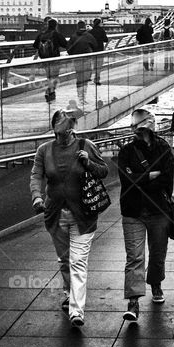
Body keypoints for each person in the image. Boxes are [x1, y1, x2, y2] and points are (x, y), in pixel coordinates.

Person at [30, 109, 108, 327]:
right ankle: (69, 292)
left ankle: (77, 310)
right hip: (55, 215)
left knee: (78, 261)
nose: (63, 135)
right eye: (59, 130)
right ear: (54, 129)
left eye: (66, 130)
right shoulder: (44, 150)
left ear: (72, 128)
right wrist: (37, 197)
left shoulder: (86, 146)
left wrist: (88, 163)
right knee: (65, 260)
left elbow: (104, 171)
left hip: (84, 215)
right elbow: (36, 175)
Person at [118, 109, 174, 322]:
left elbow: (167, 180)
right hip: (133, 212)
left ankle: (156, 283)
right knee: (135, 257)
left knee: (158, 253)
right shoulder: (127, 151)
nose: (137, 132)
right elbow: (126, 181)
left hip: (158, 209)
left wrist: (138, 179)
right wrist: (150, 176)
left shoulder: (163, 148)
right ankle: (133, 301)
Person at [33, 19, 67, 103]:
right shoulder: (56, 34)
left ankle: (50, 91)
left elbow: (34, 45)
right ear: (56, 25)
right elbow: (65, 44)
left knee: (49, 76)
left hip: (45, 59)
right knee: (54, 76)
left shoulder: (41, 34)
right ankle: (50, 92)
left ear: (48, 25)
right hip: (54, 59)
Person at [67, 21, 97, 107]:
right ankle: (83, 97)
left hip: (77, 60)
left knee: (79, 78)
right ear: (84, 26)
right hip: (87, 59)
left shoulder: (73, 36)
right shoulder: (89, 36)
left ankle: (80, 98)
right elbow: (95, 46)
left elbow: (69, 49)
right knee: (85, 79)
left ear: (77, 27)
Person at [89, 18, 109, 86]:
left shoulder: (91, 31)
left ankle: (89, 77)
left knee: (93, 65)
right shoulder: (101, 30)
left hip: (93, 50)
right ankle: (97, 79)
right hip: (100, 50)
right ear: (99, 23)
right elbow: (106, 40)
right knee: (99, 66)